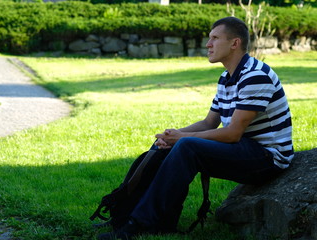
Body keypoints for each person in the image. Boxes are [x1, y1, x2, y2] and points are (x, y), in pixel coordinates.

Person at [98, 16, 294, 240]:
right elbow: (209, 123)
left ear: (234, 43)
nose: (208, 44)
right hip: (244, 148)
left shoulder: (255, 76)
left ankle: (140, 224)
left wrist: (183, 138)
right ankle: (125, 217)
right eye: (209, 38)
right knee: (165, 145)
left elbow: (232, 133)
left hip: (268, 158)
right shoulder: (226, 77)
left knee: (187, 146)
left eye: (214, 38)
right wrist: (172, 135)